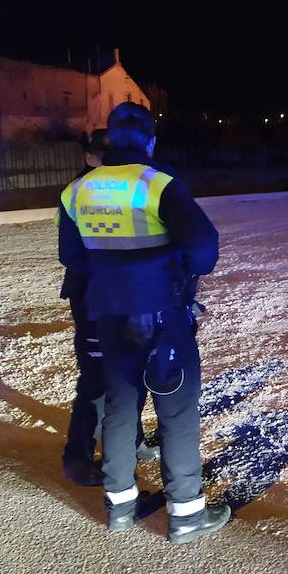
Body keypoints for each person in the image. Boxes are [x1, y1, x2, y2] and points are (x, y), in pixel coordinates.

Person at [59, 103, 229, 544]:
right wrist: (164, 266)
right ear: (150, 141)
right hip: (162, 316)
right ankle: (187, 515)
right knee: (176, 412)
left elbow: (73, 258)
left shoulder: (77, 190)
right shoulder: (159, 184)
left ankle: (119, 507)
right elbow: (204, 251)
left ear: (109, 139)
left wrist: (115, 268)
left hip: (107, 316)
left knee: (119, 407)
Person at [60, 129, 160, 486]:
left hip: (124, 296)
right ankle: (78, 458)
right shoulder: (79, 190)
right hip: (92, 295)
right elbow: (71, 253)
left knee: (130, 374)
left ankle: (129, 440)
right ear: (93, 156)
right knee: (97, 379)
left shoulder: (128, 185)